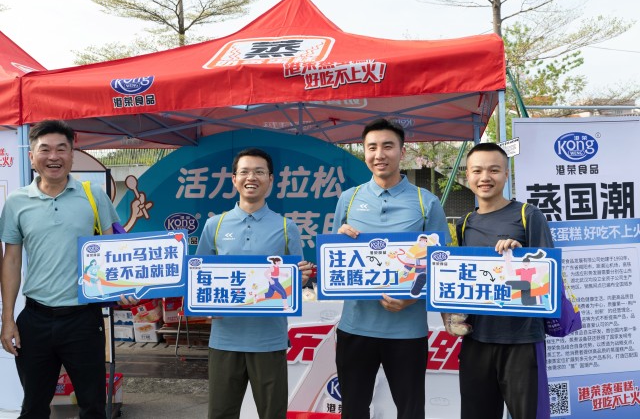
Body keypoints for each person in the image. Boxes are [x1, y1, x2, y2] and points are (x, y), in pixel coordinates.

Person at [0, 120, 119, 419]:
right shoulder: (16, 202)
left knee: (93, 407)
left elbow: (114, 251)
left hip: (84, 319)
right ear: (32, 156)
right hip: (35, 320)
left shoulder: (93, 195)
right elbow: (11, 260)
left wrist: (126, 287)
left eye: (61, 149)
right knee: (33, 407)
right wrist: (7, 319)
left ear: (72, 154)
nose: (53, 157)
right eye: (45, 149)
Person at [332, 118, 450, 419]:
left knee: (410, 411)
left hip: (407, 330)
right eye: (371, 147)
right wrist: (340, 241)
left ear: (402, 151)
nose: (379, 155)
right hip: (355, 327)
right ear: (364, 151)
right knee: (354, 409)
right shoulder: (349, 199)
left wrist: (413, 297)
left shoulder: (426, 202)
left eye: (388, 146)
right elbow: (333, 259)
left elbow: (442, 264)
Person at [195, 148, 312, 419]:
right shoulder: (214, 225)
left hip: (269, 340)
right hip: (225, 340)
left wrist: (300, 279)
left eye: (259, 172)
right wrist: (205, 306)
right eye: (245, 172)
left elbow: (295, 283)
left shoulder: (287, 227)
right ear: (234, 179)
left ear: (270, 179)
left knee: (272, 414)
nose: (252, 177)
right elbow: (200, 278)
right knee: (221, 414)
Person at [448, 142, 553, 419]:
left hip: (521, 340)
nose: (485, 177)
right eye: (477, 171)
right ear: (467, 175)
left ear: (506, 174)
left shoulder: (528, 215)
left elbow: (547, 279)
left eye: (494, 170)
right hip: (476, 338)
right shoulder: (464, 222)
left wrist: (520, 256)